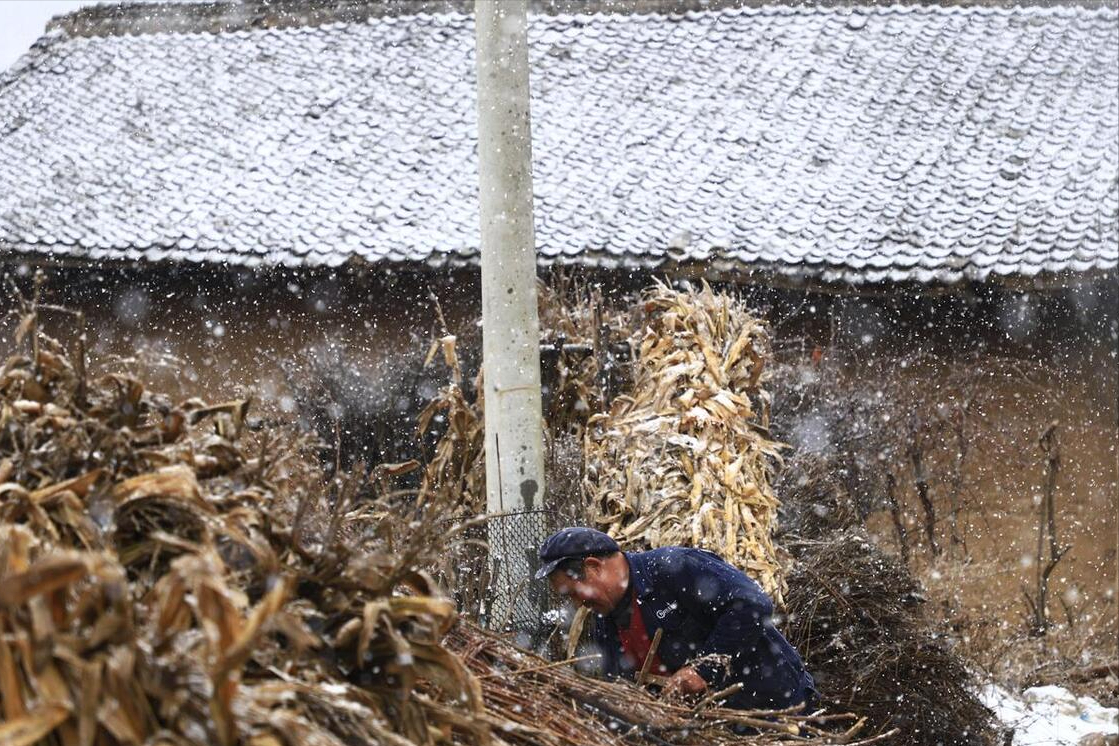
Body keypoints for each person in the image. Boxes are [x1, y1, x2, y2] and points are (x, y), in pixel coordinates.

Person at [536, 526, 817, 710]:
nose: (578, 604)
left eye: (573, 592)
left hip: (776, 710)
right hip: (715, 732)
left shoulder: (673, 568)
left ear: (594, 567)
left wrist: (703, 669)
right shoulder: (605, 623)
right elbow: (622, 693)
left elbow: (752, 605)